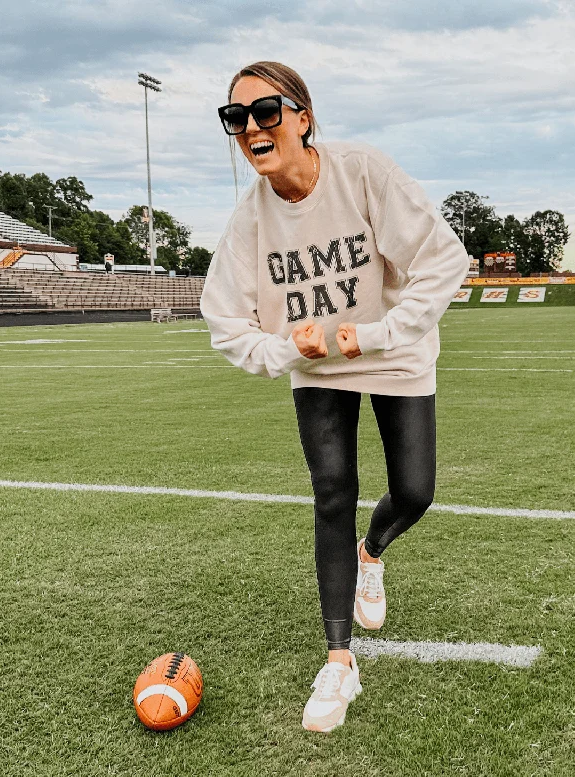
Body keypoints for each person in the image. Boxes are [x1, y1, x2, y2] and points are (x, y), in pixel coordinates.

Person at [200, 61, 469, 733]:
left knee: (415, 492)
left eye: (267, 112)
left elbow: (446, 261)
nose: (252, 128)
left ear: (303, 116)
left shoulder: (362, 172)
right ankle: (339, 662)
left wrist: (379, 334)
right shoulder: (250, 223)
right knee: (331, 493)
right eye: (237, 119)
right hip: (319, 366)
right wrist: (295, 348)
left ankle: (371, 553)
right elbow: (224, 322)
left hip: (396, 350)